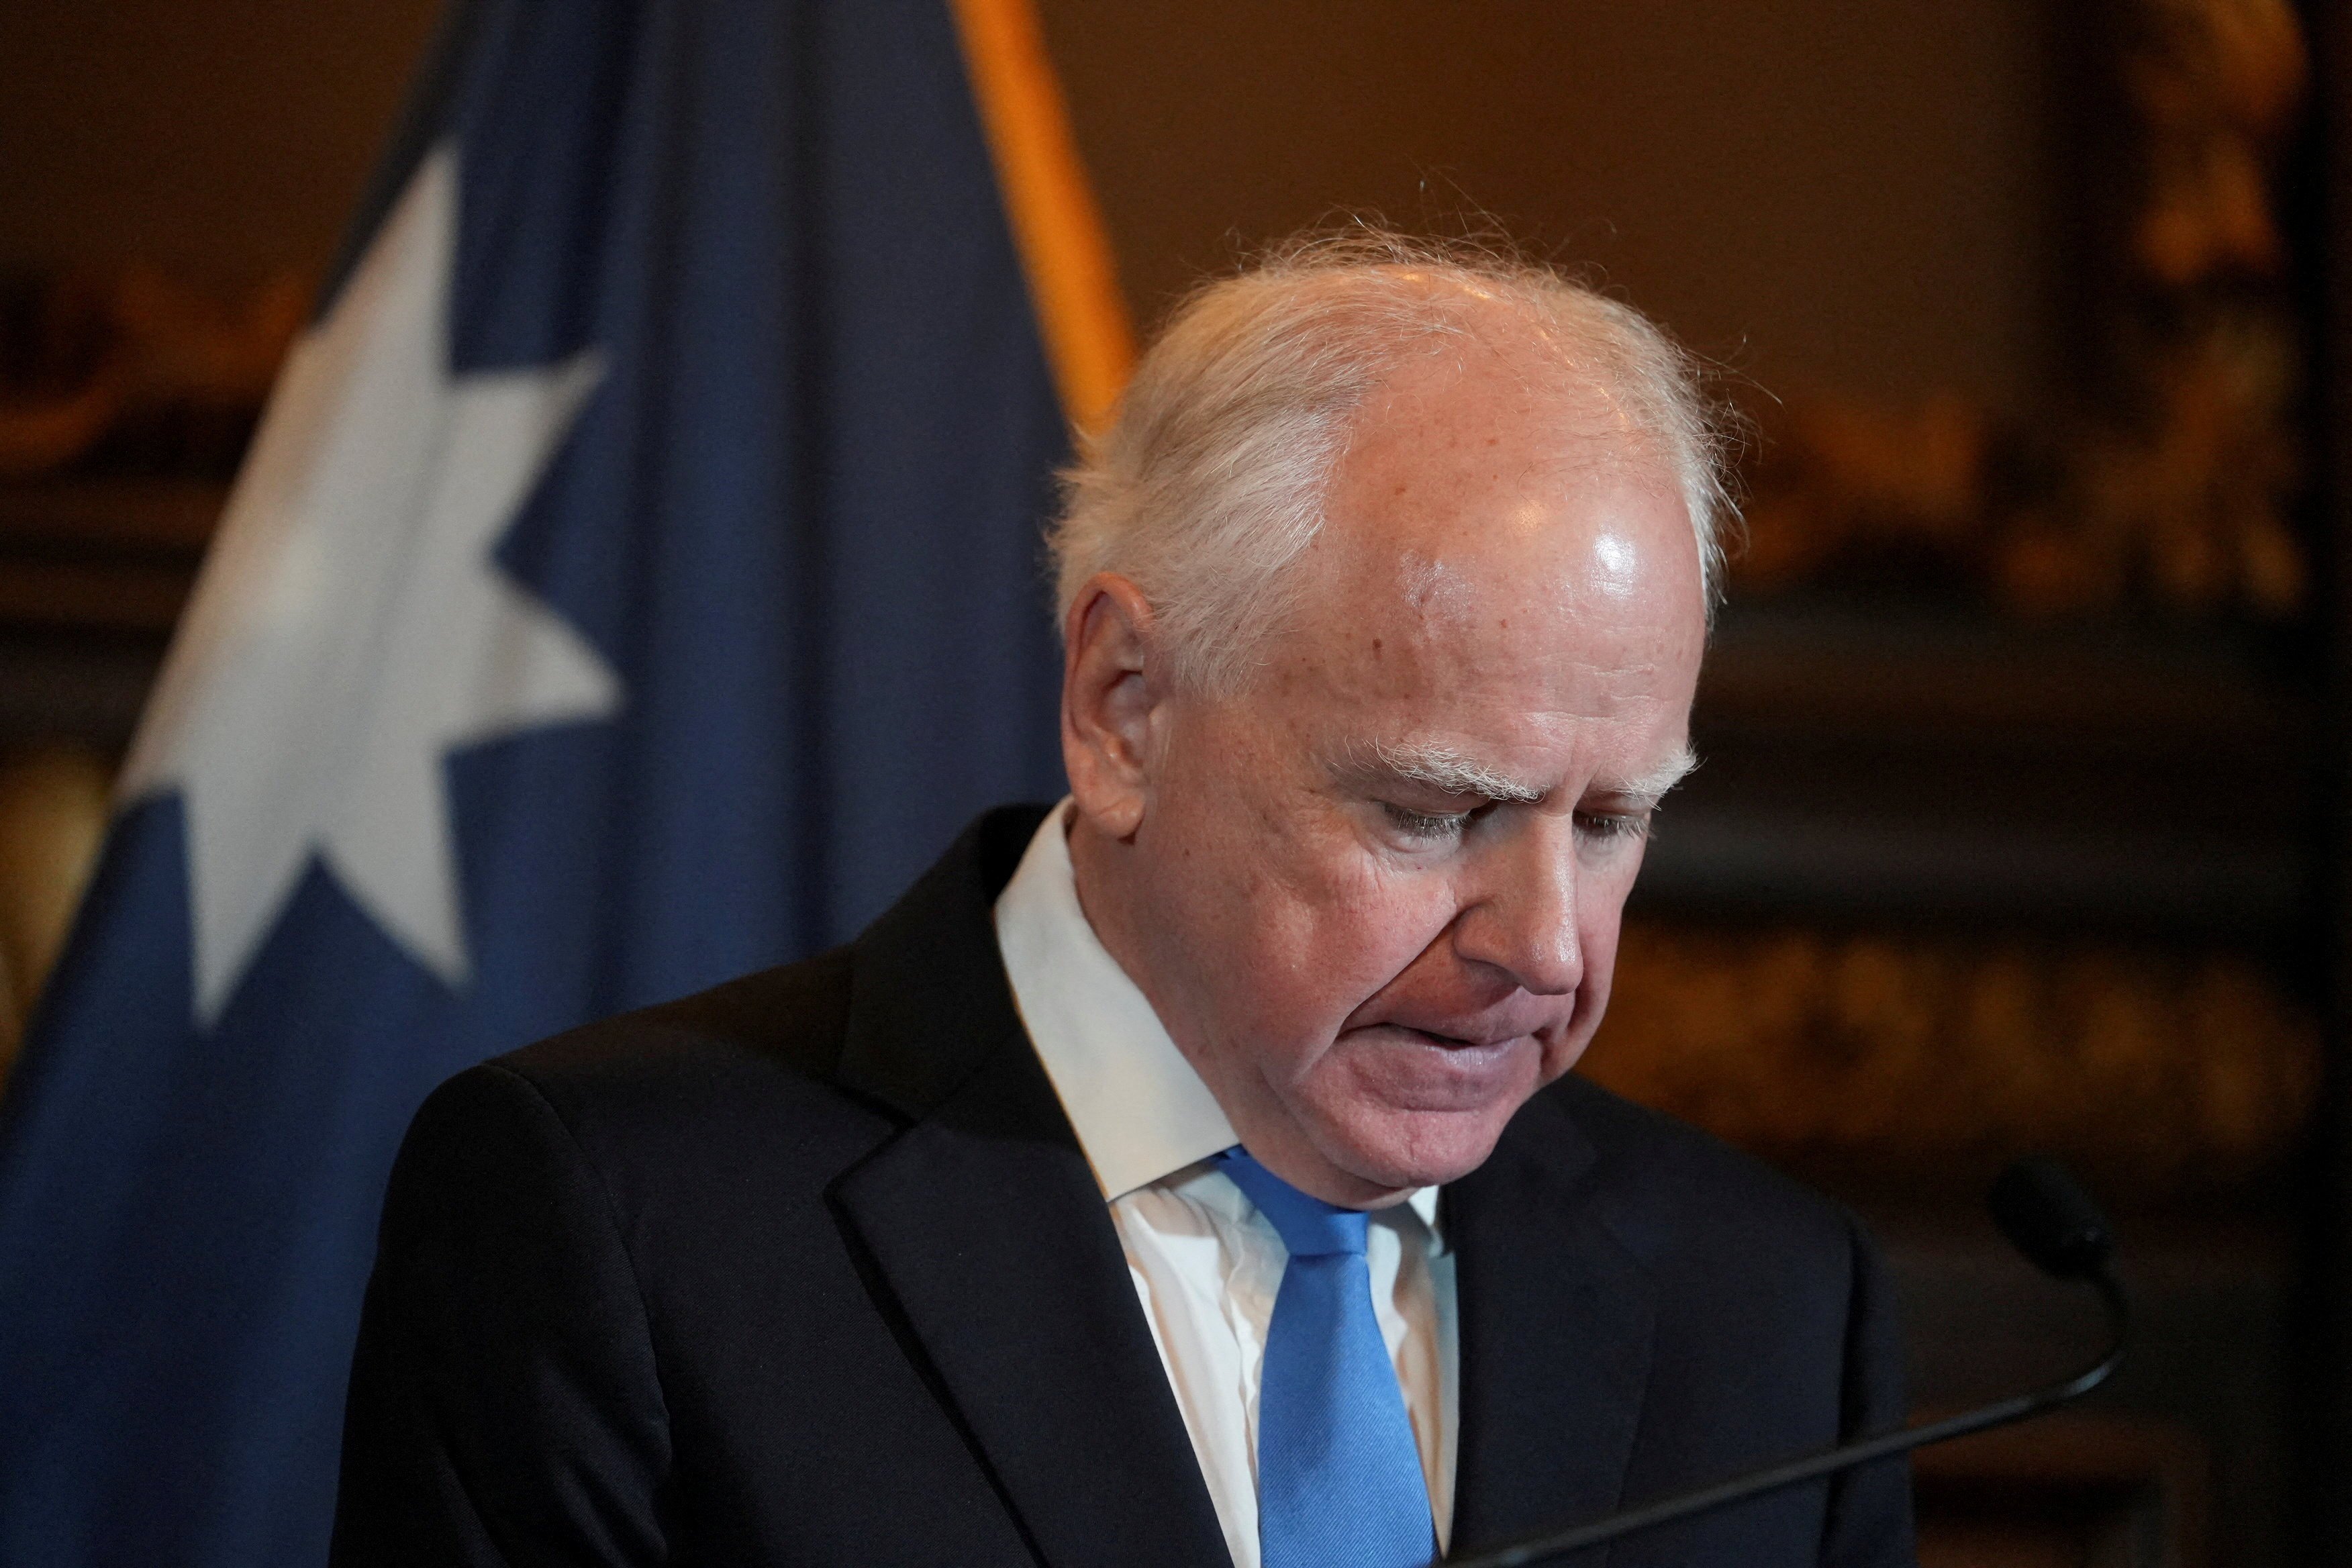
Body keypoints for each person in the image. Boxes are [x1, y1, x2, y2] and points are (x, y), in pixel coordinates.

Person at [330, 234, 1915, 1567]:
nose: (1547, 945)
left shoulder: (1774, 1318)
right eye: (1436, 813)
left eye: (1614, 819)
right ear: (1125, 705)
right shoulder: (624, 1225)